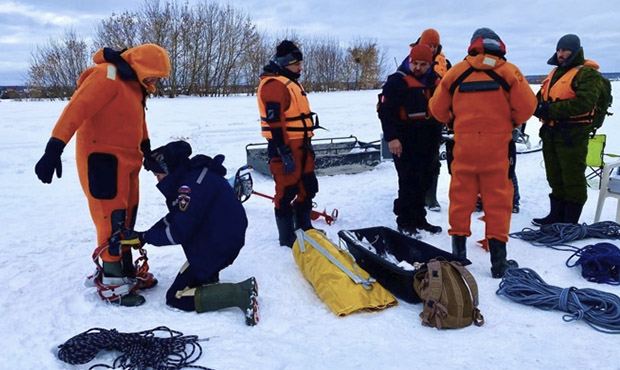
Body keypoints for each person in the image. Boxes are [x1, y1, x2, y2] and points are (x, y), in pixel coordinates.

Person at [34, 44, 171, 306]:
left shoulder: (134, 86)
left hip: (129, 160)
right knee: (111, 220)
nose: (155, 82)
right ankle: (112, 283)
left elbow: (138, 121)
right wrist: (54, 148)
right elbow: (76, 110)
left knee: (128, 217)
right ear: (142, 66)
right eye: (154, 76)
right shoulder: (106, 75)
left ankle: (126, 271)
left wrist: (147, 148)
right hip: (102, 161)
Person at [429, 28, 537, 278]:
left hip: (464, 147)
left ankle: (458, 258)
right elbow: (527, 107)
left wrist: (455, 121)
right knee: (499, 200)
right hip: (498, 149)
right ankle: (499, 264)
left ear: (473, 45)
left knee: (460, 199)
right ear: (498, 45)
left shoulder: (456, 72)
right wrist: (507, 122)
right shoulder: (509, 72)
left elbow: (436, 109)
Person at [127, 141, 258, 326]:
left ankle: (240, 293)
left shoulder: (190, 187)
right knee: (196, 270)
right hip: (222, 237)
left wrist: (145, 237)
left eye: (158, 175)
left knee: (175, 297)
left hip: (220, 243)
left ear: (169, 169)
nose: (158, 180)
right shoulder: (193, 176)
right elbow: (176, 217)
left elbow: (179, 231)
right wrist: (144, 235)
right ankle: (209, 276)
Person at [532, 34, 602, 226]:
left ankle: (569, 222)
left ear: (576, 51)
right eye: (559, 50)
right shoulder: (555, 73)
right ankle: (556, 216)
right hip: (551, 133)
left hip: (573, 134)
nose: (561, 54)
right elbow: (541, 98)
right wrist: (533, 106)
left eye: (565, 50)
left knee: (572, 177)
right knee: (554, 175)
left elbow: (585, 103)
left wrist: (549, 110)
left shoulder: (587, 74)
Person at [257, 40, 319, 248]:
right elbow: (275, 122)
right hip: (285, 146)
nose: (300, 67)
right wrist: (284, 152)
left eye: (300, 63)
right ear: (284, 63)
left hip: (302, 144)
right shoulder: (274, 85)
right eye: (296, 64)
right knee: (286, 191)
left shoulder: (290, 82)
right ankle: (286, 237)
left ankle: (304, 227)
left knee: (308, 186)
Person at [378, 44, 443, 237]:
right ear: (410, 61)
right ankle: (405, 221)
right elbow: (385, 112)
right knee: (408, 181)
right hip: (405, 137)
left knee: (425, 179)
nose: (418, 68)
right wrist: (392, 138)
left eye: (423, 64)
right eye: (415, 63)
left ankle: (419, 218)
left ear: (430, 64)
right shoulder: (396, 82)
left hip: (429, 136)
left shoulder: (435, 81)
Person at [409, 28, 452, 211]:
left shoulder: (446, 64)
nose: (432, 48)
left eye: (435, 45)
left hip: (435, 120)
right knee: (412, 161)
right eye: (429, 44)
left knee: (433, 160)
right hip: (413, 121)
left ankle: (431, 197)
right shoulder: (411, 61)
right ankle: (412, 196)